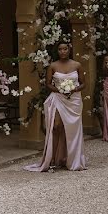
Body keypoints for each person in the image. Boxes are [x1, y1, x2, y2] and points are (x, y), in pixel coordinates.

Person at [25, 42, 86, 172]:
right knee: (56, 126)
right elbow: (48, 84)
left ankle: (70, 159)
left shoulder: (77, 65)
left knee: (71, 129)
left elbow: (83, 83)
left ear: (69, 50)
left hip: (73, 100)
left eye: (65, 49)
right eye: (60, 49)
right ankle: (54, 158)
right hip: (58, 98)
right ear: (57, 51)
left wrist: (73, 89)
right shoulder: (53, 66)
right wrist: (60, 90)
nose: (63, 51)